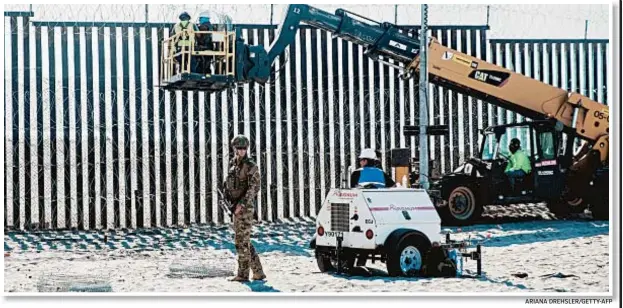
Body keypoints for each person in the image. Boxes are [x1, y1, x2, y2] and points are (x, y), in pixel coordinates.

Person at [223, 135, 266, 282]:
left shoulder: (251, 165)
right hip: (235, 207)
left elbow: (254, 187)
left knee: (241, 242)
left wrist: (241, 204)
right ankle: (258, 272)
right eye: (239, 148)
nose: (241, 151)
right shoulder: (233, 164)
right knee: (244, 240)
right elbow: (229, 185)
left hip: (245, 208)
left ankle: (242, 274)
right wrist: (228, 199)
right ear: (234, 149)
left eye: (244, 148)